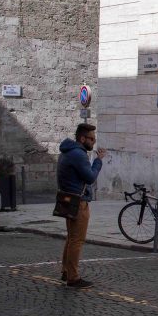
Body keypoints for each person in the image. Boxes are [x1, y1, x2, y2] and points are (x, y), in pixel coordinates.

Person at [57, 123, 106, 289]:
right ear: (82, 138)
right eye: (91, 139)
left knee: (71, 238)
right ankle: (73, 278)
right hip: (78, 201)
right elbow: (90, 177)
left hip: (68, 199)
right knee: (77, 240)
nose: (94, 142)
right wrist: (98, 161)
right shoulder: (79, 154)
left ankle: (66, 271)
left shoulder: (66, 151)